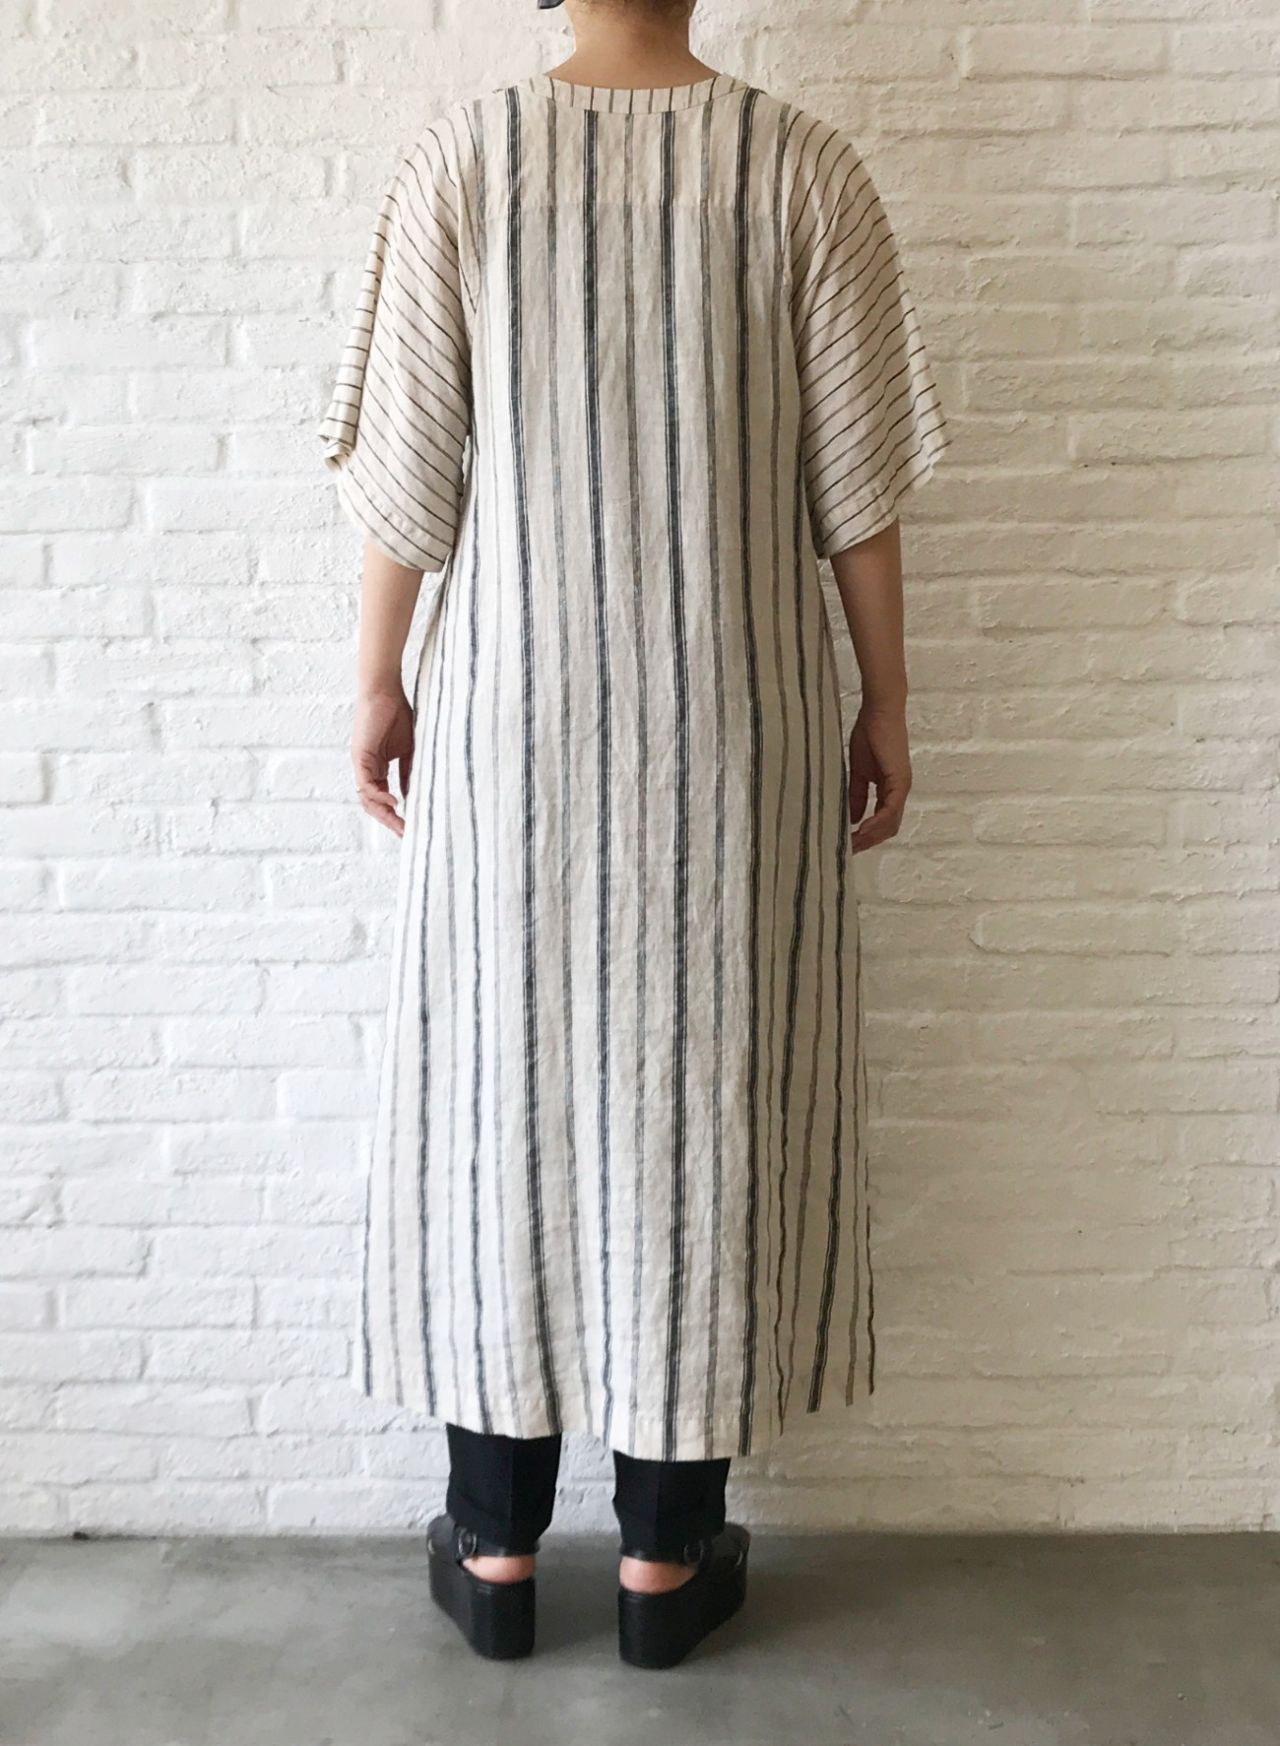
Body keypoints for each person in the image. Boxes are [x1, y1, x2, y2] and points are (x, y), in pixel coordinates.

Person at [319, 0, 948, 1669]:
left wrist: (376, 677)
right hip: (734, 719)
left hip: (513, 723)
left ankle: (497, 1545)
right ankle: (666, 1559)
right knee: (706, 1105)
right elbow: (858, 484)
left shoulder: (465, 162)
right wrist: (888, 695)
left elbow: (406, 473)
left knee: (498, 1106)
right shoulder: (801, 172)